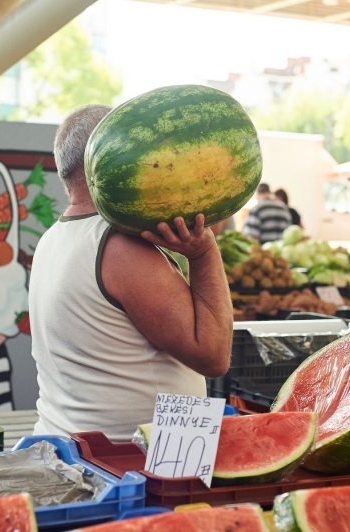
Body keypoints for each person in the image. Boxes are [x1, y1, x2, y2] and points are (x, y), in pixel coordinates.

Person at [28, 104, 233, 441]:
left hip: (76, 447)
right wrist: (204, 252)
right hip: (137, 465)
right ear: (115, 152)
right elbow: (212, 355)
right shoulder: (119, 247)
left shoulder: (54, 238)